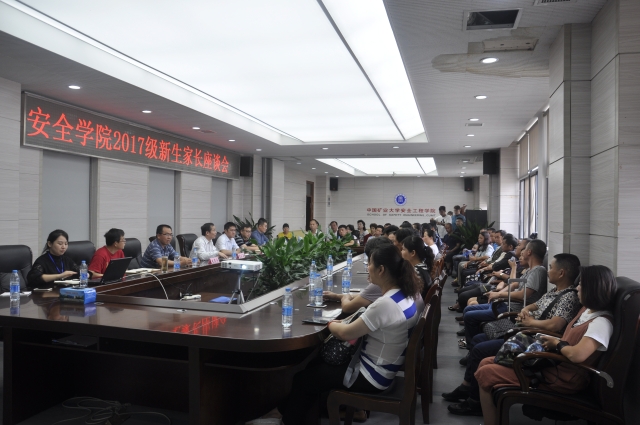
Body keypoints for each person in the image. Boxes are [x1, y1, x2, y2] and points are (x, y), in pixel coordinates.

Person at [251, 244, 421, 425]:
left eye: (370, 264)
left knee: (304, 379)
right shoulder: (402, 295)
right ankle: (286, 413)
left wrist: (329, 323)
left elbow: (345, 334)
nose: (367, 268)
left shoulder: (385, 304)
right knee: (314, 366)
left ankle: (287, 420)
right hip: (384, 367)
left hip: (372, 376)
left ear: (381, 270)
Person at [476, 265, 616, 425]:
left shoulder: (601, 323)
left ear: (593, 288)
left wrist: (556, 343)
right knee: (485, 362)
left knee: (486, 373)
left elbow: (577, 355)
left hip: (563, 379)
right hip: (552, 366)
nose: (577, 288)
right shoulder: (586, 310)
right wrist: (551, 342)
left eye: (581, 284)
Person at [445, 253, 582, 416]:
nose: (548, 270)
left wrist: (531, 323)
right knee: (478, 339)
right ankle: (468, 386)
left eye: (551, 267)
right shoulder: (555, 291)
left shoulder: (569, 297)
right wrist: (525, 310)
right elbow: (535, 305)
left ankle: (474, 401)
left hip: (533, 340)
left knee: (480, 350)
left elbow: (555, 325)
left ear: (561, 273)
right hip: (525, 331)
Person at [462, 239, 547, 345]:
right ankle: (473, 342)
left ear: (529, 252)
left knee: (469, 315)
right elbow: (514, 284)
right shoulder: (530, 270)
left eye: (525, 249)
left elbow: (522, 295)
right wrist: (498, 293)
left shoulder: (538, 271)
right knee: (468, 309)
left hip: (512, 309)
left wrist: (499, 294)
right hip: (506, 304)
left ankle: (472, 345)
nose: (522, 251)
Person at [323, 237, 394, 313]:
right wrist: (337, 296)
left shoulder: (378, 284)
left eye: (370, 262)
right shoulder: (392, 277)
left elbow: (347, 308)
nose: (368, 267)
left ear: (380, 269)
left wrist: (345, 298)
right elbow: (365, 296)